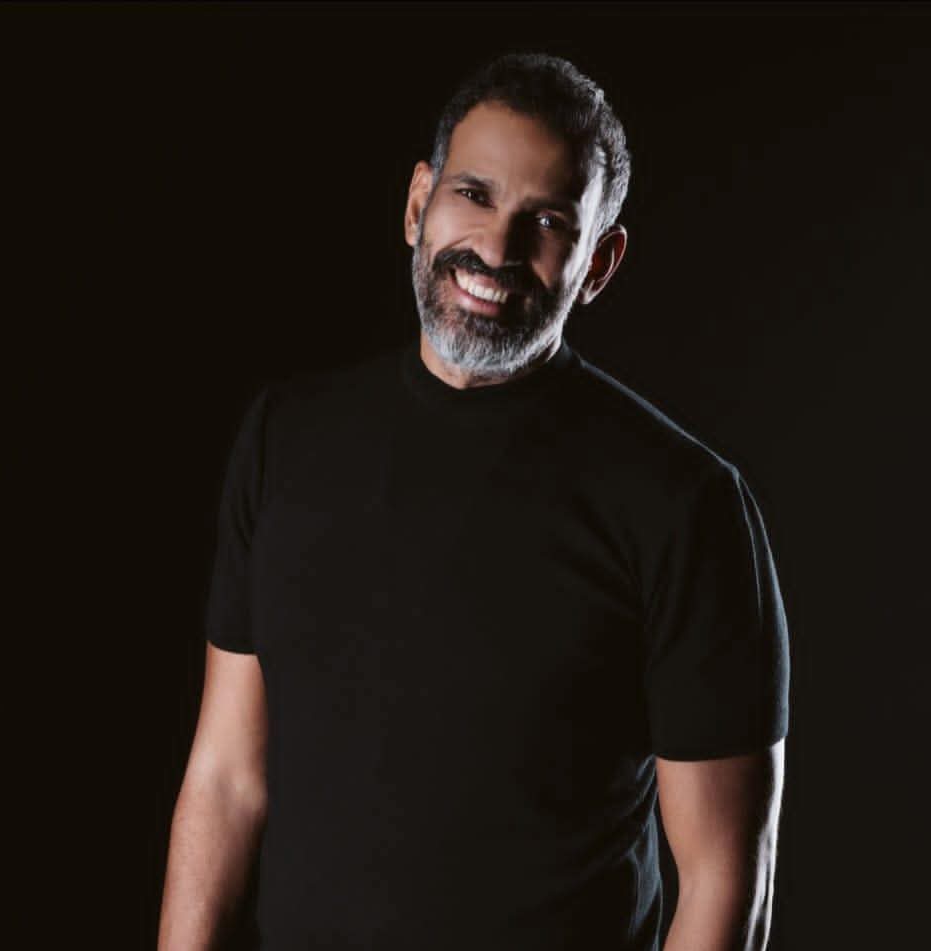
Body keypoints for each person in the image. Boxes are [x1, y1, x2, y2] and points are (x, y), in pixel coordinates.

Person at [158, 52, 789, 951]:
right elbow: (226, 778)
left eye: (548, 221)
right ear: (419, 202)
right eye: (473, 195)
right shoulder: (285, 439)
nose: (496, 249)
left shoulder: (685, 506)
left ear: (599, 262)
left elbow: (726, 879)